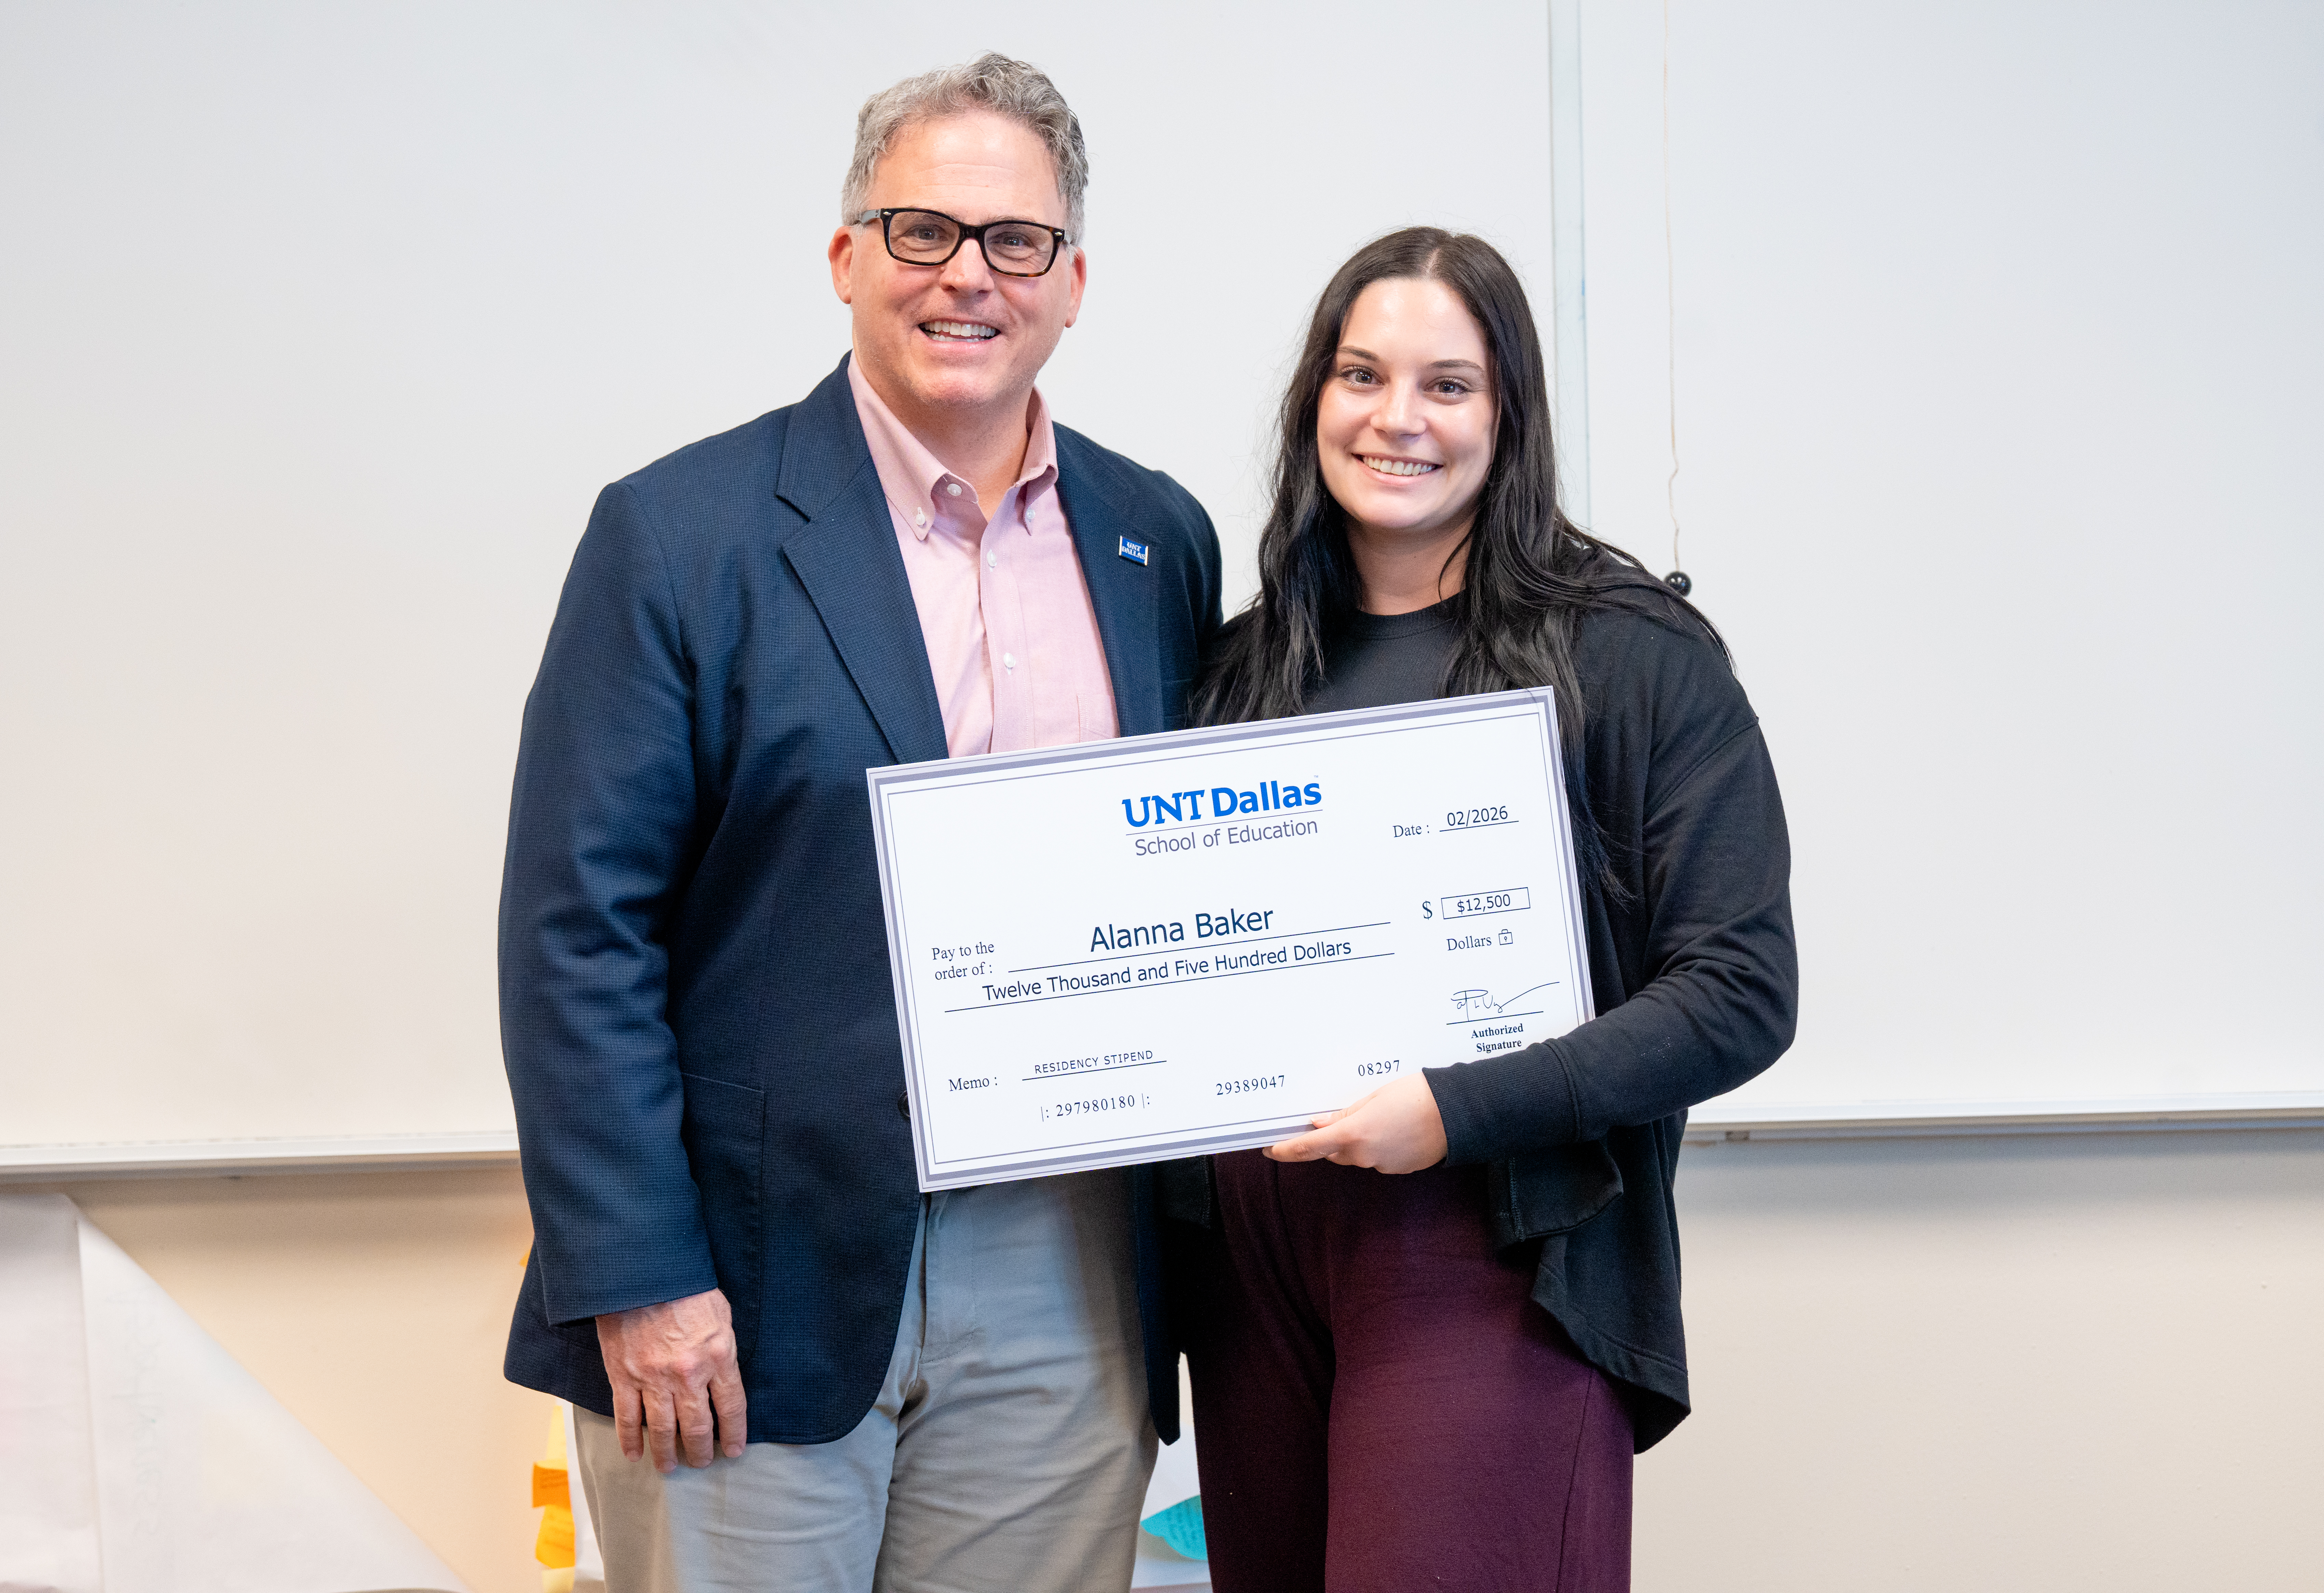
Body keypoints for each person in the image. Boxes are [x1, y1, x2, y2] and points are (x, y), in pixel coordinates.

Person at [496, 54, 1220, 1593]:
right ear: (846, 258)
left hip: (1069, 1268)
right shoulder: (678, 535)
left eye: (1015, 240)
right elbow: (575, 932)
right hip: (744, 1282)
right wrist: (641, 1276)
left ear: (1073, 282)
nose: (969, 275)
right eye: (922, 230)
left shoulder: (1158, 538)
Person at [1170, 228, 1797, 1591]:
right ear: (1314, 400)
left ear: (1509, 417)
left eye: (1447, 385)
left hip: (1489, 1243)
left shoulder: (1631, 654)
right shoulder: (1239, 670)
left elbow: (1740, 990)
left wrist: (1458, 1109)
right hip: (1252, 1267)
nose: (1397, 417)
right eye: (1361, 375)